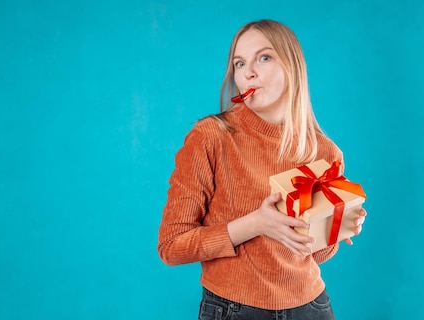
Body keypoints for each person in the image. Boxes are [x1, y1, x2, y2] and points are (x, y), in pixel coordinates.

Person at [157, 19, 367, 320]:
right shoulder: (211, 136)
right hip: (233, 309)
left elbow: (314, 254)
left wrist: (337, 226)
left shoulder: (325, 151)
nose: (248, 72)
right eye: (239, 63)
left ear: (292, 66)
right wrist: (255, 224)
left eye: (264, 58)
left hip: (311, 308)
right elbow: (171, 246)